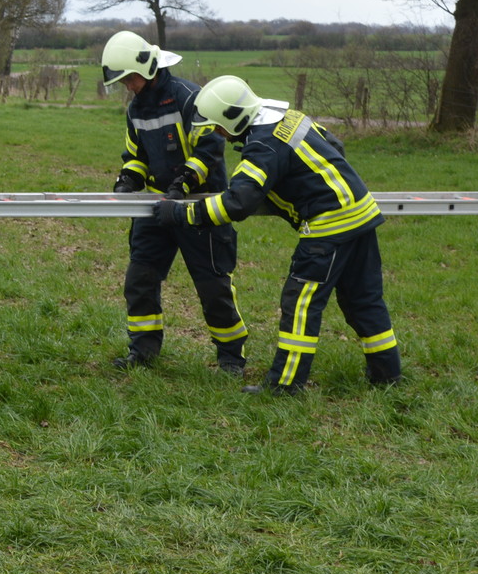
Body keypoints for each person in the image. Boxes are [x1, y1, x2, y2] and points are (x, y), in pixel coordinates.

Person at [161, 74, 402, 394]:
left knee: (300, 304)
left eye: (218, 125)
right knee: (364, 299)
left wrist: (181, 213)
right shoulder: (289, 116)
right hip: (362, 213)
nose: (217, 133)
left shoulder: (262, 145)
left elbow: (238, 202)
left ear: (234, 118)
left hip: (329, 226)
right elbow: (336, 146)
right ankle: (387, 375)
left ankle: (285, 385)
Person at [99, 31, 247, 375]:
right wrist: (129, 180)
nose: (128, 87)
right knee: (140, 280)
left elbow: (208, 151)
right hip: (156, 206)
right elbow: (135, 155)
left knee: (212, 285)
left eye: (130, 79)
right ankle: (144, 352)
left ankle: (230, 358)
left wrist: (183, 185)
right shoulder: (136, 109)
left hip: (199, 204)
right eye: (123, 82)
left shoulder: (189, 98)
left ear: (148, 69)